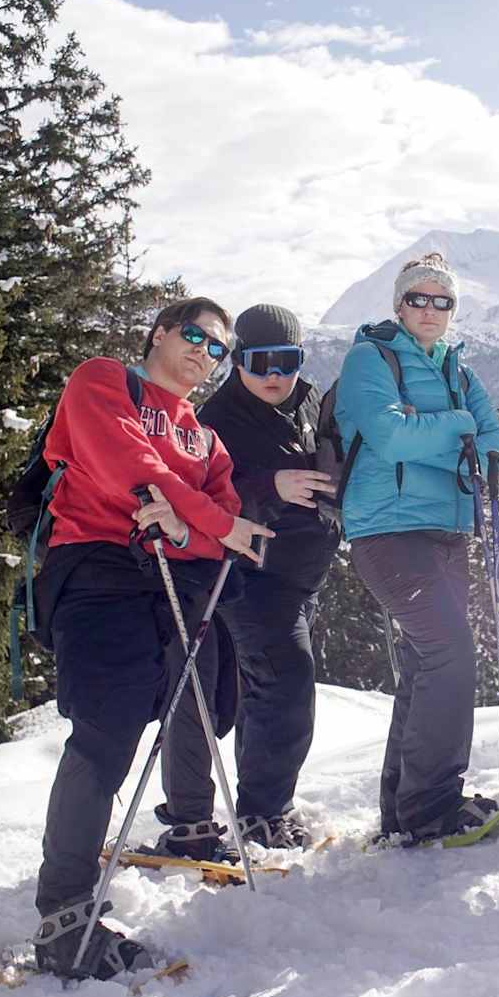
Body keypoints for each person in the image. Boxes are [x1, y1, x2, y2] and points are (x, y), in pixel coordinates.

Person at [30, 298, 273, 978]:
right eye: (193, 335)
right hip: (97, 571)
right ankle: (64, 921)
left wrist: (191, 521)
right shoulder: (104, 381)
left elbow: (226, 520)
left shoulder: (204, 437)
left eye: (217, 347)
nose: (204, 352)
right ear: (160, 334)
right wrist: (206, 525)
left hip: (172, 581)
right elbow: (124, 469)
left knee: (191, 711)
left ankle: (82, 901)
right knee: (103, 732)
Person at [334, 253, 499, 844]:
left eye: (443, 301)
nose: (431, 310)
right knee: (450, 654)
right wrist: (458, 430)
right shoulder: (370, 359)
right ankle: (433, 806)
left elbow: (492, 443)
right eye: (419, 299)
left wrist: (436, 432)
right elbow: (387, 434)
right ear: (399, 305)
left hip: (447, 531)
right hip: (386, 530)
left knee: (424, 665)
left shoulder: (457, 367)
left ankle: (403, 810)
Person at [198, 304, 338, 849]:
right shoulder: (217, 421)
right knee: (284, 681)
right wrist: (268, 487)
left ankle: (264, 805)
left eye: (289, 360)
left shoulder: (304, 401)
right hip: (250, 579)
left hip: (302, 578)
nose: (276, 375)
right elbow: (202, 496)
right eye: (260, 363)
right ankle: (262, 813)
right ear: (237, 361)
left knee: (264, 689)